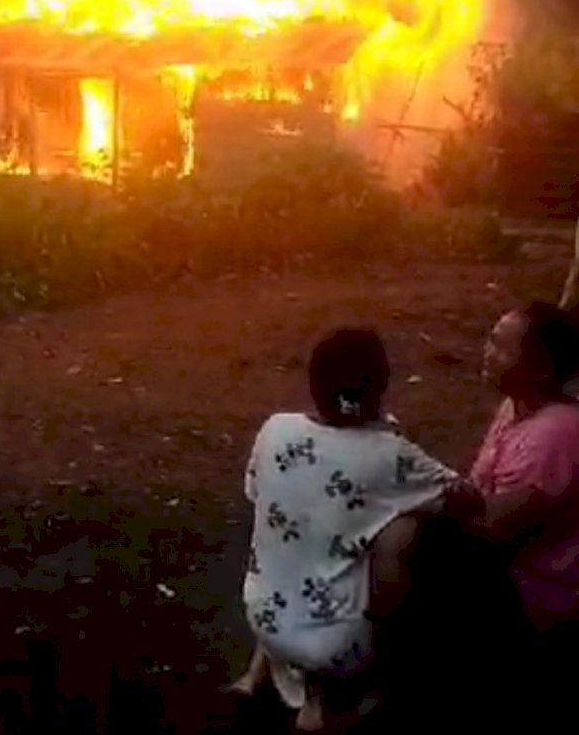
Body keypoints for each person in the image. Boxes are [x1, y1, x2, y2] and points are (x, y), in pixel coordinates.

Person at [237, 327, 467, 732]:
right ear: (381, 385)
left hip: (264, 616)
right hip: (336, 648)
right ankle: (346, 700)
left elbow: (257, 491)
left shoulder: (275, 429)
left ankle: (262, 675)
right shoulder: (391, 456)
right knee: (405, 529)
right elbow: (468, 500)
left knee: (303, 526)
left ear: (312, 382)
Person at [470, 300, 579, 698]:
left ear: (542, 369)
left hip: (539, 598)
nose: (488, 352)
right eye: (490, 340)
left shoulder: (557, 433)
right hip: (510, 576)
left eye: (501, 347)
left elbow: (491, 528)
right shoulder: (514, 407)